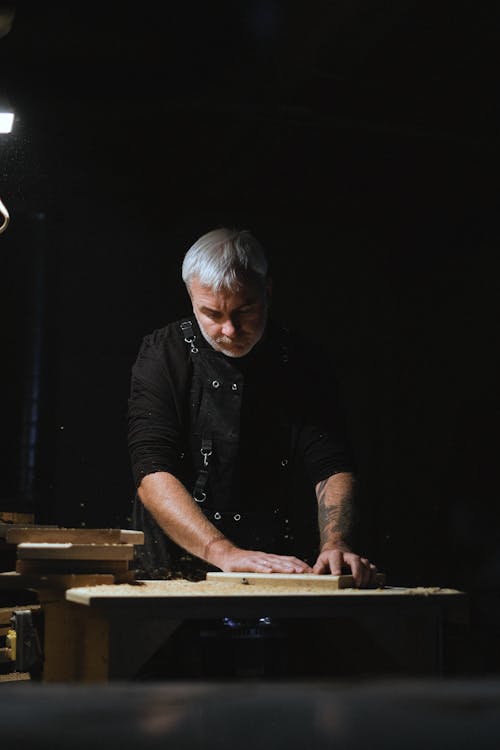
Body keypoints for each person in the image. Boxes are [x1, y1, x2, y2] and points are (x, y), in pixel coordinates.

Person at [128, 227, 377, 586]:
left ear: (268, 291)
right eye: (212, 314)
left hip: (276, 564)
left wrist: (337, 543)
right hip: (167, 570)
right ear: (190, 297)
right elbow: (152, 472)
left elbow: (331, 464)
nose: (229, 329)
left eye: (245, 310)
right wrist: (222, 552)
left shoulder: (301, 359)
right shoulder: (162, 354)